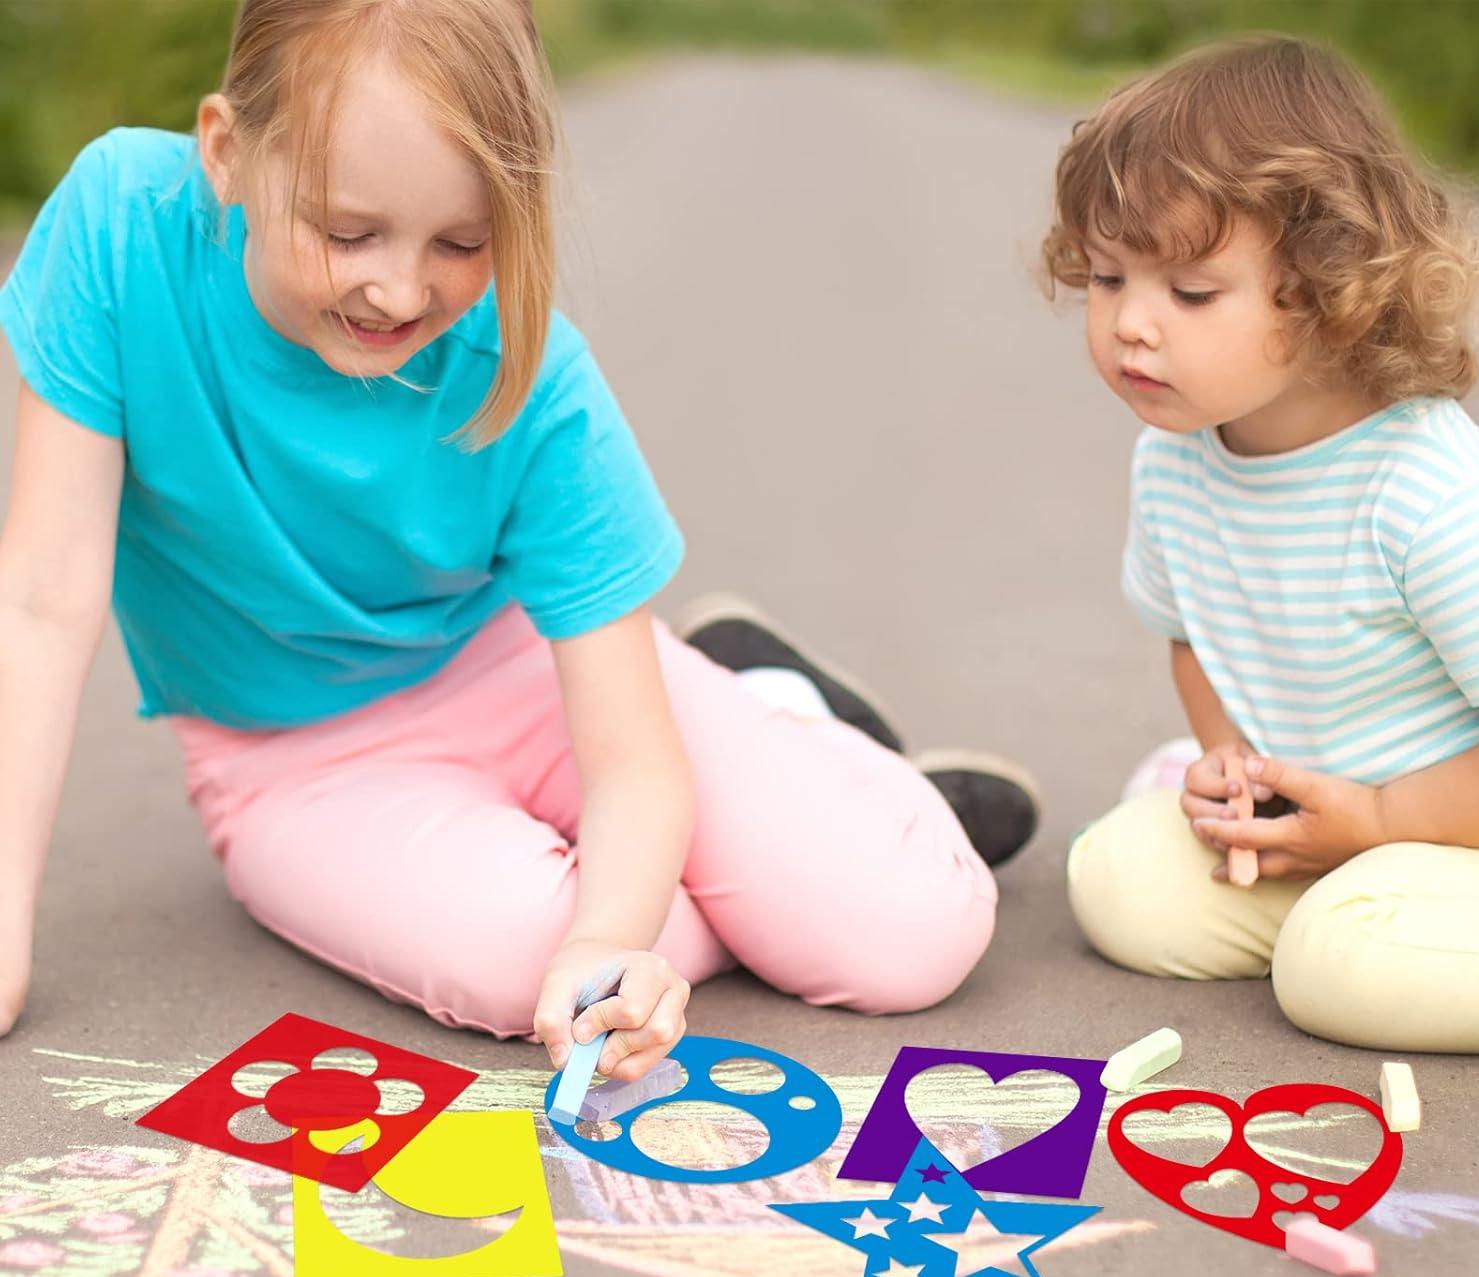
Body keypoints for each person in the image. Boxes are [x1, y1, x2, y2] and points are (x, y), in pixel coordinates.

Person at [0, 0, 1037, 1074]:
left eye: (463, 241)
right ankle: (784, 765)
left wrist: (611, 935)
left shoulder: (531, 372)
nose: (399, 289)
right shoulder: (123, 224)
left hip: (524, 673)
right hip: (295, 759)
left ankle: (787, 738)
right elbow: (41, 597)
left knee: (912, 932)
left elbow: (630, 758)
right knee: (522, 965)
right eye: (346, 232)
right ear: (226, 151)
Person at [1046, 34, 1479, 1052]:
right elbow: (1190, 636)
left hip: (1470, 830)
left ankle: (1370, 930)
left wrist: (1383, 822)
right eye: (1109, 279)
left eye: (1191, 293)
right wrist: (1228, 764)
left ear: (1334, 291)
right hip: (1336, 826)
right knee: (1116, 880)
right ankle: (1367, 919)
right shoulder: (1171, 462)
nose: (1131, 326)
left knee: (1343, 965)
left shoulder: (1425, 489)